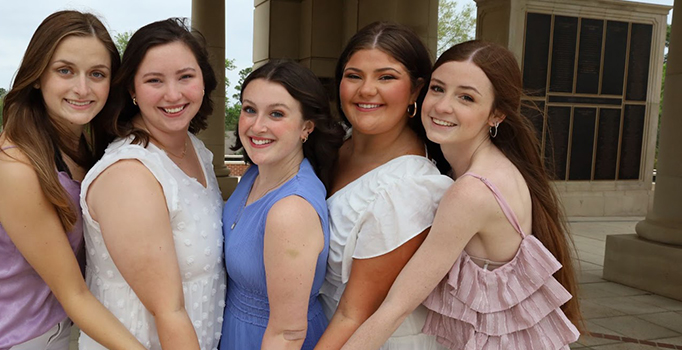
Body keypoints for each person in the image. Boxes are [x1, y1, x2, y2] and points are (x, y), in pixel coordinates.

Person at [342, 40, 582, 350]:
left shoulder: (472, 191)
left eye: (466, 97)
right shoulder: (489, 167)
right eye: (438, 89)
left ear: (496, 115)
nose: (442, 106)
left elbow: (395, 307)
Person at [0, 10, 145, 350]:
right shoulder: (17, 167)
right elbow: (74, 293)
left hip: (42, 327)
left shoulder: (77, 141)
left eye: (97, 73)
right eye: (65, 70)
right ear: (37, 76)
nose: (82, 88)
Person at [79, 18, 225, 350]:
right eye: (154, 80)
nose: (173, 94)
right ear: (131, 89)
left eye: (186, 76)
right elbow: (168, 310)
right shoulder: (129, 175)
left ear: (204, 80)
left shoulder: (196, 150)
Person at [314, 22, 453, 350]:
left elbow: (356, 312)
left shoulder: (411, 188)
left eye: (386, 77)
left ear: (416, 90)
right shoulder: (335, 147)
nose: (366, 90)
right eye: (354, 76)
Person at [220, 60, 344, 350]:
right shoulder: (255, 173)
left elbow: (288, 334)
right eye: (249, 109)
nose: (257, 125)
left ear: (306, 127)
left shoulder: (290, 211)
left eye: (276, 113)